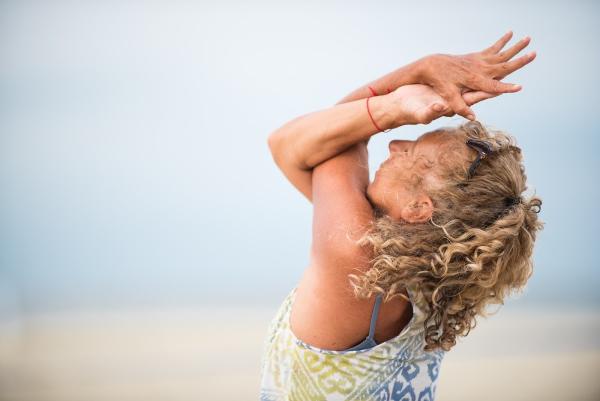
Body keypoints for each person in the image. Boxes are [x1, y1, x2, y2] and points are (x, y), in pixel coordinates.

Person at [259, 31, 543, 401]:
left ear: (418, 208)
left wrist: (410, 84)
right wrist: (415, 79)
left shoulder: (357, 260)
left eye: (414, 154)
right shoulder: (429, 274)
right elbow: (308, 146)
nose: (395, 144)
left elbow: (304, 140)